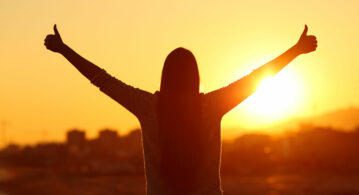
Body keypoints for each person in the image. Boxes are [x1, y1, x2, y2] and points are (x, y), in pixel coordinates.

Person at [44, 24, 317, 195]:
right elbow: (256, 79)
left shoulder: (148, 107)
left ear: (165, 76)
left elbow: (102, 79)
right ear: (195, 77)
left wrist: (64, 49)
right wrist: (296, 50)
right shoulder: (210, 106)